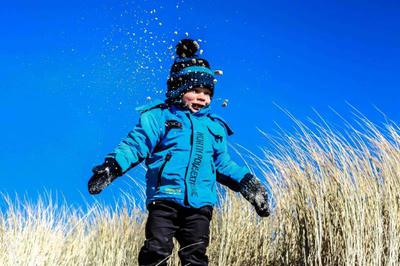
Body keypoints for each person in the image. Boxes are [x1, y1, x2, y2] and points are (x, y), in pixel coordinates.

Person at [88, 39, 270, 266]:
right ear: (179, 90)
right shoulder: (161, 117)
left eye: (207, 92)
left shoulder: (214, 127)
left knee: (195, 254)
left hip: (200, 206)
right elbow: (136, 144)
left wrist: (249, 185)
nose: (202, 97)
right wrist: (112, 167)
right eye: (195, 90)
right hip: (165, 199)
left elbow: (223, 164)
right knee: (156, 249)